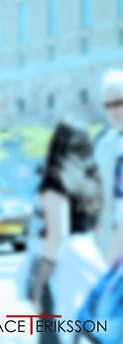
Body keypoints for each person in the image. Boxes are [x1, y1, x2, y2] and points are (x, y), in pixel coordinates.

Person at [31, 122, 107, 344]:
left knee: (55, 336)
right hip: (90, 254)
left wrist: (40, 282)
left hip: (64, 263)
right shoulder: (91, 180)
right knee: (92, 330)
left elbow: (58, 236)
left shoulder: (55, 179)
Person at [95, 70, 123, 266]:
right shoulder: (103, 144)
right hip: (108, 241)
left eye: (119, 103)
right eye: (108, 105)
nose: (114, 110)